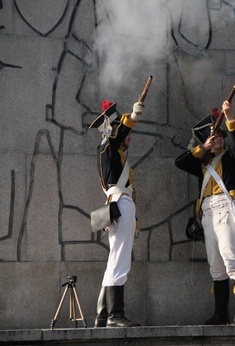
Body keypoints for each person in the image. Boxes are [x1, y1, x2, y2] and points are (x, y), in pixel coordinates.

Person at [175, 100, 235, 325]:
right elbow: (180, 162)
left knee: (231, 260)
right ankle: (220, 314)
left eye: (219, 136)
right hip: (207, 214)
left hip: (225, 210)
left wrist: (229, 117)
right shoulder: (203, 161)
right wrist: (203, 149)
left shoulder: (230, 157)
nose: (217, 139)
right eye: (212, 136)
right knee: (216, 265)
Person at [90, 100, 143, 328]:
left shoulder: (113, 151)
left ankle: (103, 315)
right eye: (125, 132)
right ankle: (115, 315)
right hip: (120, 203)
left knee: (114, 261)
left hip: (120, 204)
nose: (130, 136)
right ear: (111, 129)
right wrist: (132, 116)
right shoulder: (108, 145)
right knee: (120, 262)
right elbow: (118, 134)